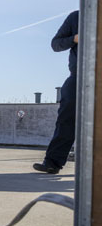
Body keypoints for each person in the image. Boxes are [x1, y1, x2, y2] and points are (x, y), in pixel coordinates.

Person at [33, 10, 79, 174]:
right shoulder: (76, 17)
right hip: (79, 77)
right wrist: (74, 39)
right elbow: (55, 44)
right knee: (66, 119)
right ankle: (52, 162)